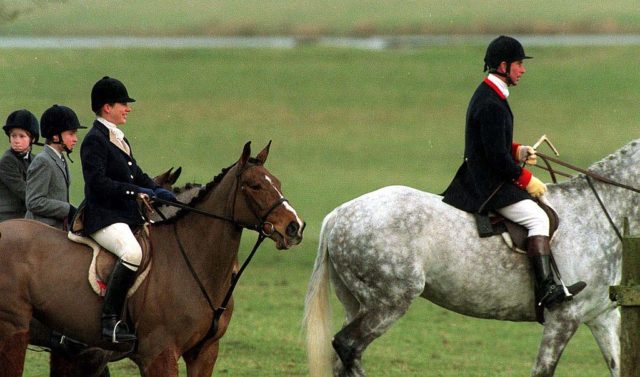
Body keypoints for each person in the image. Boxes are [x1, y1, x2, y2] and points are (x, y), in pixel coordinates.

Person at [442, 35, 585, 310]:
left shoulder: (489, 93)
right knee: (537, 219)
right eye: (519, 64)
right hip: (488, 184)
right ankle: (547, 289)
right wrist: (526, 179)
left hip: (485, 174)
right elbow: (495, 157)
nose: (523, 70)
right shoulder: (492, 103)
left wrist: (518, 150)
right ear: (504, 66)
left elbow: (493, 143)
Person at [80, 76, 176, 343]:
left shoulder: (118, 138)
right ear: (106, 107)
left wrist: (157, 191)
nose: (128, 108)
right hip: (103, 215)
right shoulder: (94, 140)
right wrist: (138, 192)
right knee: (132, 252)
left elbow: (136, 174)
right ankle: (109, 321)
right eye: (123, 104)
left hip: (123, 214)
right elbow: (97, 184)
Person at [25, 105, 85, 229]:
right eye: (71, 134)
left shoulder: (60, 158)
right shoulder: (43, 161)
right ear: (55, 136)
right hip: (41, 232)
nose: (75, 139)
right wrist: (68, 209)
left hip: (56, 229)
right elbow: (34, 202)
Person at [0, 110, 40, 221]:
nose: (16, 141)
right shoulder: (7, 160)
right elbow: (23, 191)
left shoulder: (36, 159)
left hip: (27, 215)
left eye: (22, 136)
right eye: (13, 136)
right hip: (8, 216)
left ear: (32, 139)